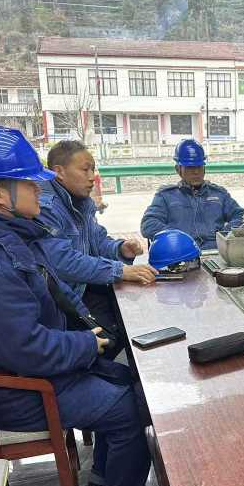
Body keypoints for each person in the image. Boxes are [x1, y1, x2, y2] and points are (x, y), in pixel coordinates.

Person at [0, 126, 167, 486]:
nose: (39, 192)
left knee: (134, 384)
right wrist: (85, 343)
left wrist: (86, 329)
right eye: (30, 184)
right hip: (16, 389)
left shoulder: (8, 236)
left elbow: (52, 292)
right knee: (132, 409)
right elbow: (25, 349)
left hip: (34, 373)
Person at [37, 140, 156, 359]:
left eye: (93, 169)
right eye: (85, 170)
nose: (92, 177)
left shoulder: (80, 203)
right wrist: (119, 270)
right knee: (119, 331)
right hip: (65, 301)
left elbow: (98, 241)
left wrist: (121, 250)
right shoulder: (46, 208)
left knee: (141, 312)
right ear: (59, 172)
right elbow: (62, 262)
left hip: (84, 287)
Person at [140, 138, 244, 250]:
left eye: (199, 166)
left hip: (216, 252)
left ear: (204, 168)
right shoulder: (165, 196)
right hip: (182, 254)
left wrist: (224, 234)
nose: (196, 172)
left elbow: (242, 216)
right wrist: (177, 238)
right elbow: (148, 224)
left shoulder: (219, 194)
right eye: (190, 167)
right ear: (178, 169)